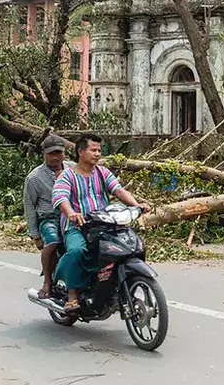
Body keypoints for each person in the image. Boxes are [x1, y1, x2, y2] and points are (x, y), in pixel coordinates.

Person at [52, 133, 145, 313]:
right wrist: (71, 213)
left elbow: (118, 191)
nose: (97, 154)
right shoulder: (67, 176)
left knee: (128, 247)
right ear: (81, 152)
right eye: (93, 150)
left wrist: (137, 205)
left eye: (99, 150)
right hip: (77, 227)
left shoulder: (102, 173)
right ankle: (72, 295)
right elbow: (60, 197)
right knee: (77, 250)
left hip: (104, 224)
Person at [23, 134, 73, 299]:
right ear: (43, 154)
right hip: (49, 218)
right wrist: (35, 235)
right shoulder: (34, 178)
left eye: (58, 153)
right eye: (51, 153)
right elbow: (29, 206)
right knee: (51, 242)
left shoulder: (73, 170)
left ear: (64, 153)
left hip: (72, 216)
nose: (55, 157)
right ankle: (47, 282)